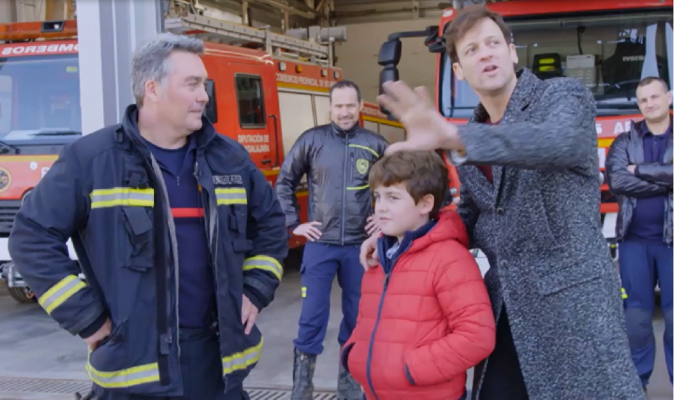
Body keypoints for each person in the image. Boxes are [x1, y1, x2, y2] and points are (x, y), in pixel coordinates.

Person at [359, 6, 646, 400]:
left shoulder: (562, 96)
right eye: (472, 49)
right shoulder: (473, 131)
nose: (486, 53)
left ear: (512, 52)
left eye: (493, 43)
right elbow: (469, 217)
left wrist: (454, 138)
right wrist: (401, 236)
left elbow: (556, 144)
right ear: (459, 71)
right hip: (506, 307)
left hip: (575, 313)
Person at [8, 33, 288, 400]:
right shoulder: (92, 160)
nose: (204, 96)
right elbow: (31, 237)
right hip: (133, 373)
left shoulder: (229, 159)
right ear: (152, 89)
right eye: (192, 84)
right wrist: (86, 318)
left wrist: (256, 288)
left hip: (217, 369)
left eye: (204, 85)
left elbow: (271, 225)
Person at [341, 150, 495, 400]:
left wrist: (409, 368)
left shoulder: (449, 258)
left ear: (425, 203)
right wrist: (357, 358)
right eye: (377, 197)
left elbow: (477, 336)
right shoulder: (379, 256)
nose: (380, 208)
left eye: (393, 198)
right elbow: (366, 322)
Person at [275, 80, 388, 400]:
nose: (344, 112)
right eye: (338, 106)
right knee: (311, 317)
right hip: (320, 246)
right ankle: (302, 386)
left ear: (360, 106)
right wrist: (293, 224)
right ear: (330, 107)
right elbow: (284, 181)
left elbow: (397, 186)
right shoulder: (312, 141)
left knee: (357, 317)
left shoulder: (375, 144)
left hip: (360, 247)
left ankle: (349, 383)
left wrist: (383, 218)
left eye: (350, 105)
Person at [606, 76, 673, 390]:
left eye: (655, 97)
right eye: (644, 99)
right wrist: (666, 178)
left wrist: (641, 170)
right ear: (639, 104)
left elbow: (631, 176)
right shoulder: (623, 141)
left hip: (671, 242)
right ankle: (637, 384)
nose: (650, 104)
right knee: (637, 319)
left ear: (668, 97)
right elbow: (618, 182)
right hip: (634, 241)